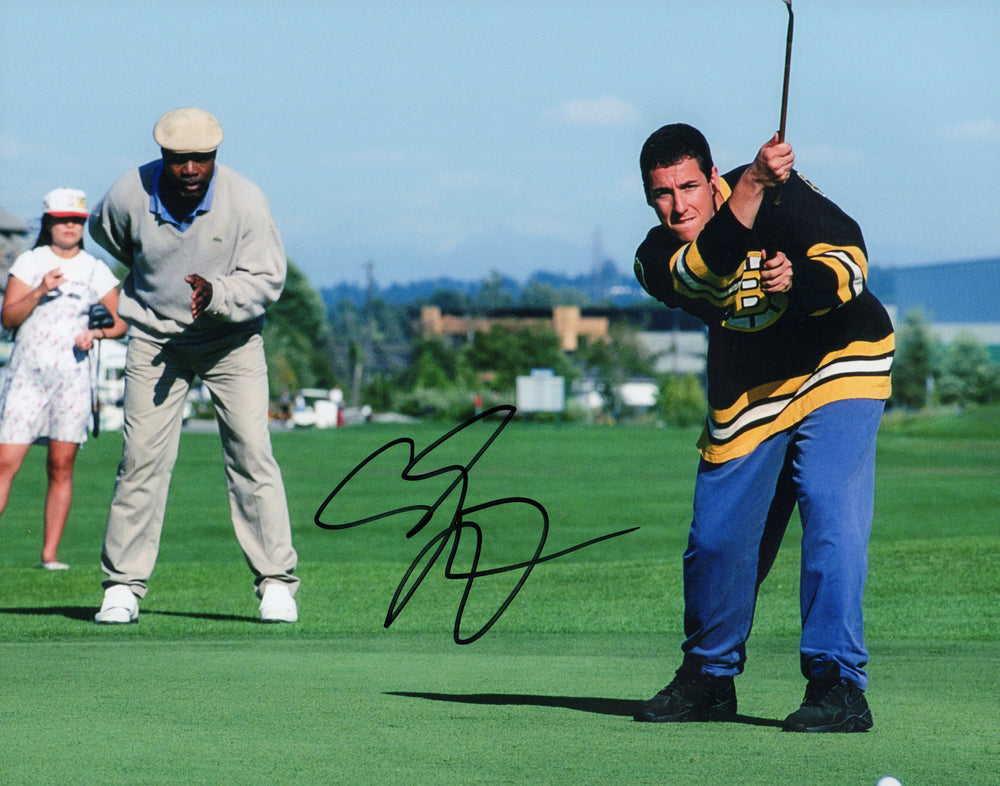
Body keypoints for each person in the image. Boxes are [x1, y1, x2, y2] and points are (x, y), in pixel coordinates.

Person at [631, 124, 894, 732]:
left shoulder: (785, 194)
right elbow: (704, 276)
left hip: (841, 363)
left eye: (690, 186)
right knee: (717, 539)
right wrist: (750, 184)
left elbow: (849, 260)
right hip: (750, 392)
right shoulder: (655, 258)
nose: (679, 206)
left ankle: (838, 686)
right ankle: (708, 680)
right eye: (662, 195)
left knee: (830, 507)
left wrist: (798, 281)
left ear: (711, 177)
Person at [88, 107, 299, 624]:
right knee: (140, 459)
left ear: (214, 158)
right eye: (180, 160)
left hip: (231, 340)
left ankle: (275, 582)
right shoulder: (127, 194)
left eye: (200, 160)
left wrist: (218, 292)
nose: (190, 170)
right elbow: (108, 234)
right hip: (156, 339)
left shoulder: (246, 201)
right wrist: (157, 290)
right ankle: (122, 586)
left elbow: (268, 280)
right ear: (163, 156)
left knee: (252, 452)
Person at [0, 189, 127, 569]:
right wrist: (40, 290)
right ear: (49, 222)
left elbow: (120, 321)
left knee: (61, 465)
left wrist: (97, 334)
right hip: (27, 374)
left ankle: (49, 553)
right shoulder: (30, 262)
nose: (70, 226)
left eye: (77, 220)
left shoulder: (94, 268)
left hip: (72, 378)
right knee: (6, 461)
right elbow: (8, 318)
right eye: (62, 219)